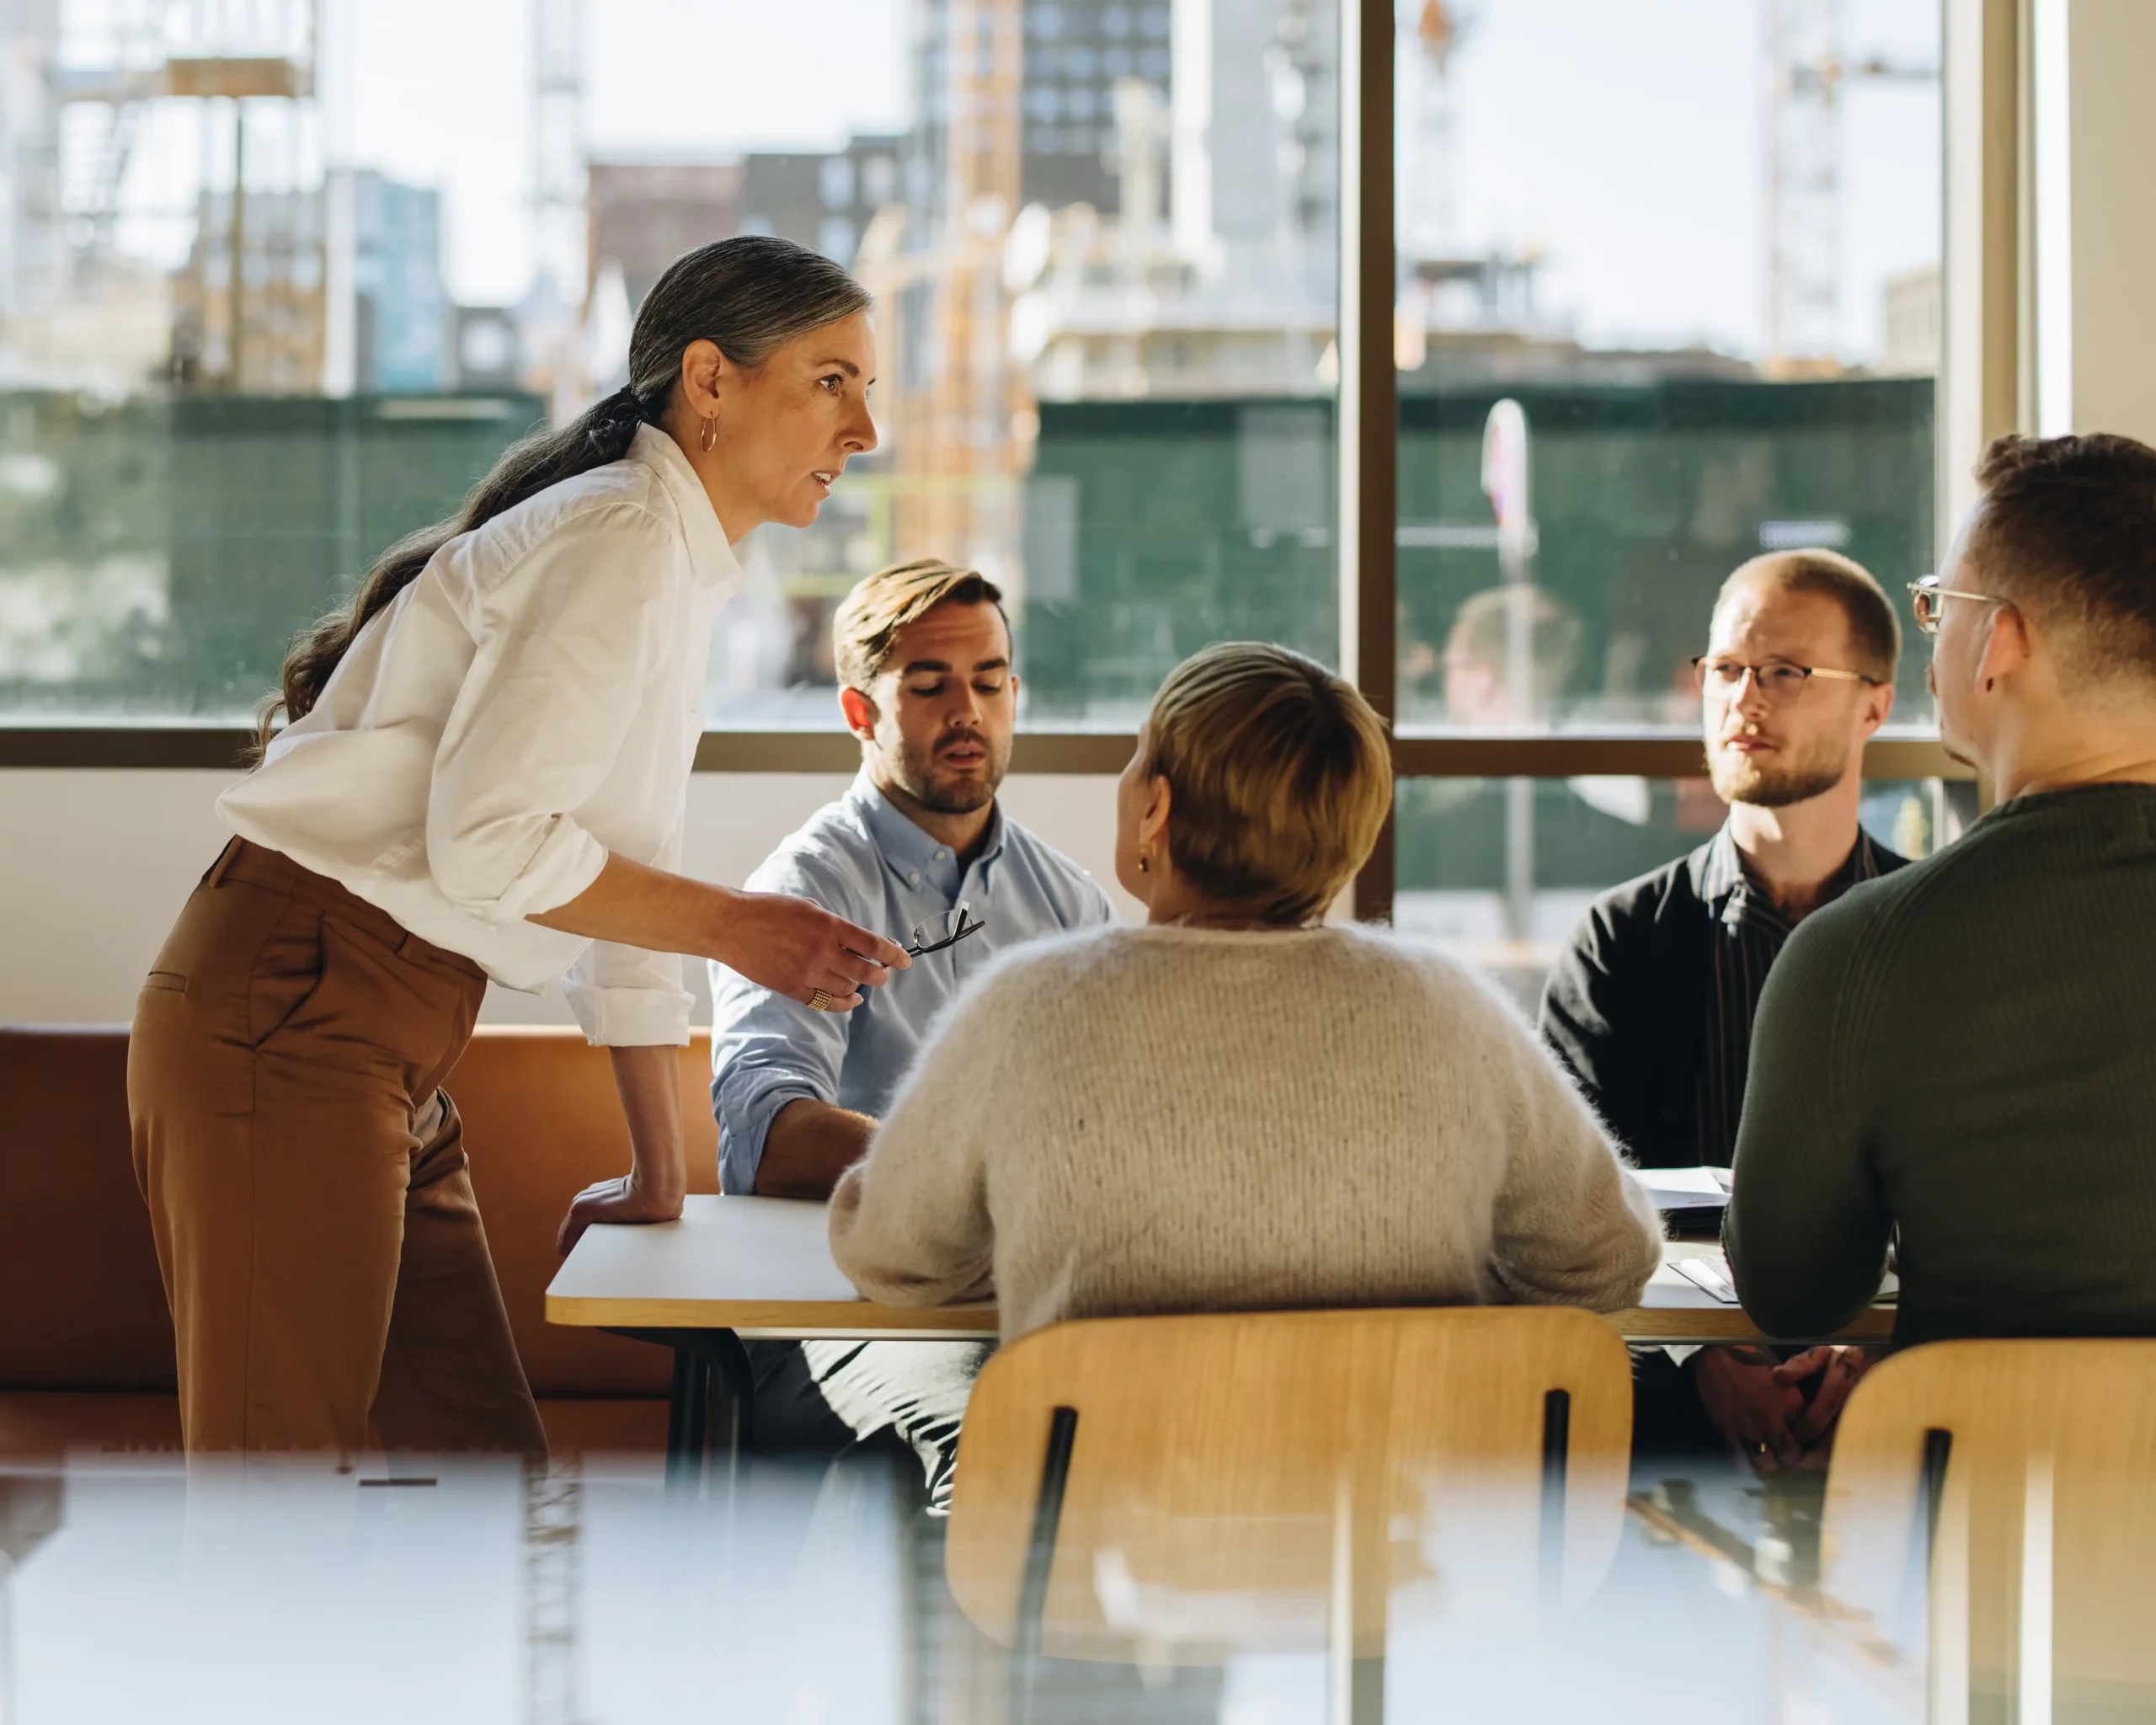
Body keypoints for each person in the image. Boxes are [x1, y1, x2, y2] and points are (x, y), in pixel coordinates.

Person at [128, 236, 914, 1456]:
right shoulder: (622, 539)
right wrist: (744, 928)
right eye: (832, 381)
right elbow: (491, 842)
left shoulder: (670, 559)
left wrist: (661, 1173)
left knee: (490, 1502)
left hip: (378, 1034)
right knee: (270, 1522)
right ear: (709, 381)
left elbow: (616, 876)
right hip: (296, 1006)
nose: (866, 429)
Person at [830, 642, 1662, 1359]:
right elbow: (1606, 1257)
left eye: (1136, 756)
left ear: (1154, 807)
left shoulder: (1027, 1003)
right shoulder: (1449, 1005)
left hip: (1110, 1525)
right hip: (1393, 1528)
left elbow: (895, 1260)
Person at [1728, 433, 2156, 1348]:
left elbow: (1791, 1294)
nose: (1933, 630)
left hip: (1995, 1485)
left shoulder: (1861, 952)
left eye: (1941, 604)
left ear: (1997, 640)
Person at [708, 557, 1111, 1502]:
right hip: (848, 1310)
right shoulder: (802, 889)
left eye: (987, 682)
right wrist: (970, 1174)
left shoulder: (1067, 899)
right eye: (928, 686)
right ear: (860, 713)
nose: (965, 711)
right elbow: (766, 1137)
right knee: (988, 1446)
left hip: (1032, 1298)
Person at [1540, 549, 1904, 1466]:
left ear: (1875, 702)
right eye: (1725, 668)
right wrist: (1702, 1360)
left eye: (1785, 671)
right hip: (1660, 1417)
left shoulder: (1930, 931)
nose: (1744, 699)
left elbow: (1971, 1206)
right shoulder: (1619, 939)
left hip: (1899, 1400)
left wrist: (1873, 1360)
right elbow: (1572, 1206)